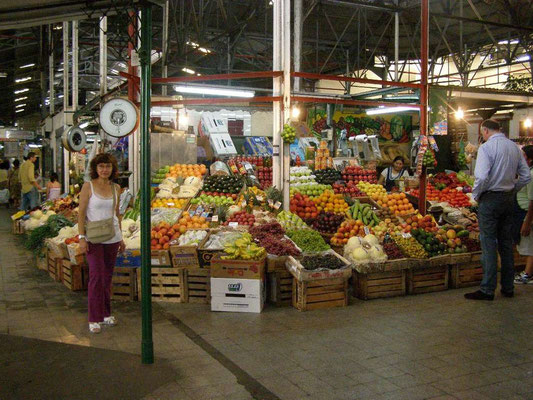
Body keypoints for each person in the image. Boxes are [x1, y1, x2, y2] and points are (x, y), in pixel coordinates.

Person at [465, 119, 531, 301]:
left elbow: (481, 177)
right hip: (509, 199)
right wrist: (513, 189)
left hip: (490, 199)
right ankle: (508, 287)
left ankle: (487, 289)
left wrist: (476, 196)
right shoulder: (514, 148)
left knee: (488, 244)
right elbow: (525, 176)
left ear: (485, 130)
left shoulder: (486, 148)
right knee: (506, 244)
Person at [78, 153, 125, 334]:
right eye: (101, 167)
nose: (104, 170)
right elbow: (81, 214)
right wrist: (81, 238)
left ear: (112, 169)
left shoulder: (116, 188)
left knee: (107, 278)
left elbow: (116, 215)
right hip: (94, 239)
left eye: (108, 166)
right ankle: (94, 317)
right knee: (96, 278)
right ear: (95, 169)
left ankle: (106, 314)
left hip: (112, 238)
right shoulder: (87, 187)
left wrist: (121, 238)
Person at [515, 145, 533, 284]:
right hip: (524, 212)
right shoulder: (527, 173)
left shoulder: (531, 176)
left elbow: (532, 200)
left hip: (528, 214)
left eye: (523, 157)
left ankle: (527, 274)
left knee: (530, 245)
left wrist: (527, 221)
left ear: (530, 159)